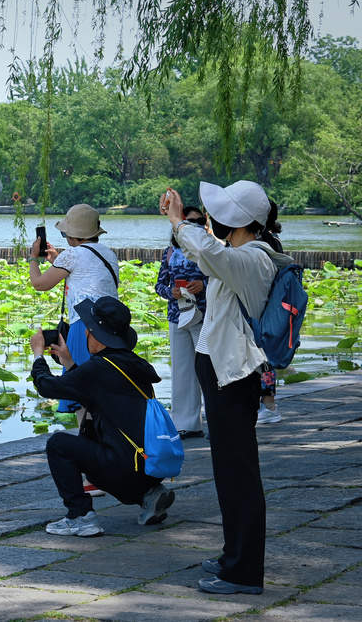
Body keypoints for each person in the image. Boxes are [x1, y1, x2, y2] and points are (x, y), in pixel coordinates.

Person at [160, 181, 293, 595]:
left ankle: (244, 571)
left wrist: (179, 222)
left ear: (231, 221)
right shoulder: (240, 256)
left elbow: (208, 253)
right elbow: (210, 257)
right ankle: (232, 554)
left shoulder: (253, 259)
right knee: (229, 472)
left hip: (233, 378)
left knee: (239, 474)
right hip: (221, 372)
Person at [30, 296, 175, 537]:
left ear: (96, 335)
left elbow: (48, 387)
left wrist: (38, 355)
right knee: (101, 442)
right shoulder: (130, 363)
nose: (86, 334)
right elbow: (98, 392)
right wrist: (69, 362)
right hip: (147, 464)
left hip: (122, 469)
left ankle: (80, 516)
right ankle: (149, 494)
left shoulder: (99, 368)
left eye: (88, 330)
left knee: (59, 444)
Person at [29, 203, 120, 414]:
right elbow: (85, 275)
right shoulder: (108, 254)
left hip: (85, 328)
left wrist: (34, 258)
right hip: (112, 330)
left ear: (71, 235)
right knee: (101, 388)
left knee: (80, 389)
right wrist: (56, 260)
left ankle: (87, 435)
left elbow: (40, 284)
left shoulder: (72, 254)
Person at [155, 206, 209, 439]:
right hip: (178, 315)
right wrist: (172, 292)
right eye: (189, 221)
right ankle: (186, 424)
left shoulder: (209, 249)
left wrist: (204, 286)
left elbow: (224, 279)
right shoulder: (169, 252)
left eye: (199, 221)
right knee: (181, 370)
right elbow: (159, 286)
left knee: (209, 368)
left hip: (205, 314)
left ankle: (216, 417)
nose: (194, 225)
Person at [256, 200, 284, 425]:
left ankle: (269, 405)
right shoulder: (272, 239)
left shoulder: (263, 241)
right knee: (264, 359)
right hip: (271, 308)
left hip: (263, 308)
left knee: (263, 360)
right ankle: (267, 404)